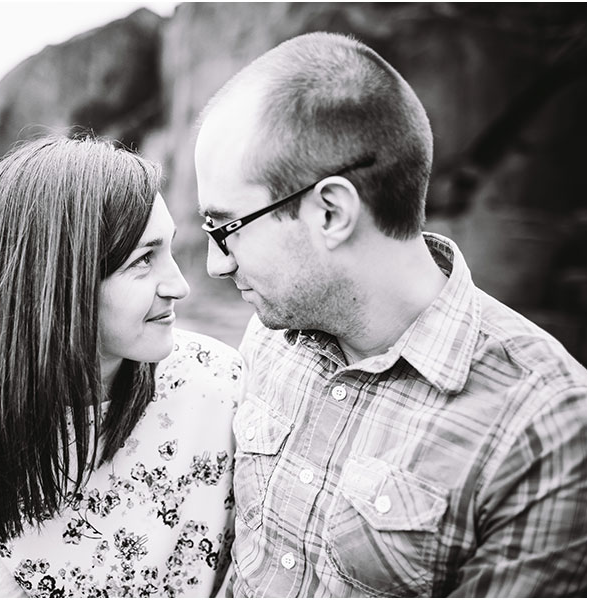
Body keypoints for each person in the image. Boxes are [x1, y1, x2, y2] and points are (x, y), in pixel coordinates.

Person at [194, 32, 587, 597]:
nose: (213, 265)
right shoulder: (270, 334)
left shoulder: (544, 429)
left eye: (225, 228)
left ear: (330, 212)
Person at [0, 135, 244, 598]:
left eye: (169, 249)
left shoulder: (218, 381)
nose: (180, 286)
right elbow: (0, 589)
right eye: (144, 260)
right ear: (61, 282)